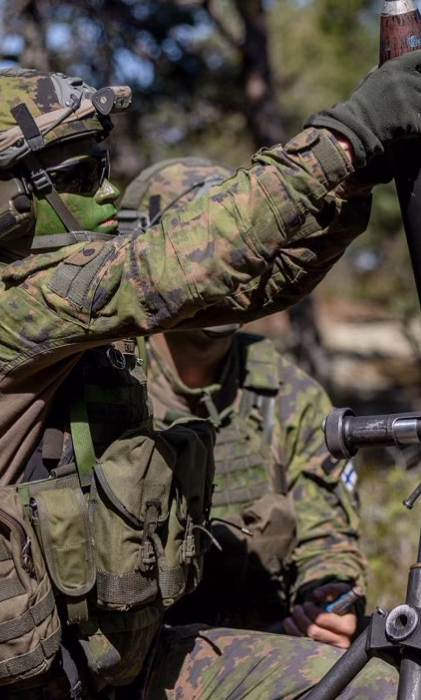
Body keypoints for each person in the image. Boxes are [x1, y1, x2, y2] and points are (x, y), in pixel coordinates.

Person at [0, 54, 421, 700]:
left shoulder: (47, 310)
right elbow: (180, 263)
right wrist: (347, 136)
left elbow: (241, 292)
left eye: (104, 164)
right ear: (1, 199)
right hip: (34, 685)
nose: (105, 190)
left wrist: (353, 183)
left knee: (370, 687)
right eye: (84, 170)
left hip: (117, 663)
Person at [118, 158, 368, 649]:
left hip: (263, 650)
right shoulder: (107, 389)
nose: (224, 271)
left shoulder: (286, 394)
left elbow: (327, 536)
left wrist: (330, 599)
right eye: (198, 251)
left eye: (237, 249)